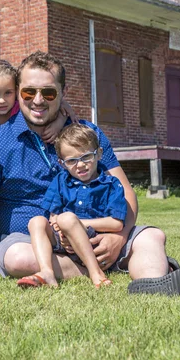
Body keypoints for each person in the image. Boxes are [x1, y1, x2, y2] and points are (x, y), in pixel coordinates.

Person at [0, 51, 180, 295]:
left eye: (49, 93)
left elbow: (125, 191)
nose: (37, 100)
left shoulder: (87, 133)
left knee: (151, 236)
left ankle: (153, 284)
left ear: (63, 93)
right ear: (18, 92)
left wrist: (118, 237)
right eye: (29, 91)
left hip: (95, 231)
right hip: (29, 241)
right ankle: (110, 267)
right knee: (17, 258)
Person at [19, 124, 126, 289]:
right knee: (36, 221)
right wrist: (60, 228)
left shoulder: (111, 184)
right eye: (71, 161)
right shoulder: (61, 181)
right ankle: (47, 272)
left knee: (67, 218)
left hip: (92, 242)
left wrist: (76, 224)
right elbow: (53, 216)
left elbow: (116, 223)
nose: (80, 165)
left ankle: (96, 273)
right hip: (64, 240)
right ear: (62, 163)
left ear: (99, 154)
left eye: (86, 157)